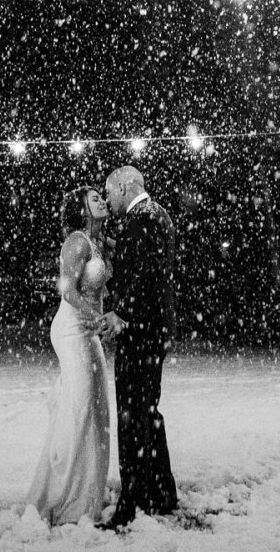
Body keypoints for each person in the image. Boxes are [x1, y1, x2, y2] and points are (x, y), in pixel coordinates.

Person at [26, 186, 114, 525]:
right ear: (82, 209)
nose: (102, 201)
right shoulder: (76, 242)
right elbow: (67, 289)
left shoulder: (101, 242)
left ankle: (89, 492)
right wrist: (94, 316)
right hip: (71, 329)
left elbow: (103, 283)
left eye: (101, 197)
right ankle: (60, 493)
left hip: (90, 332)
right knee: (79, 409)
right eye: (95, 199)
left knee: (99, 408)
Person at [99, 165, 178, 527]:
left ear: (126, 187)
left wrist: (121, 313)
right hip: (156, 330)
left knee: (133, 417)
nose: (109, 199)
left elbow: (141, 274)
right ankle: (161, 491)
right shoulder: (157, 214)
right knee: (148, 412)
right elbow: (146, 264)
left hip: (140, 333)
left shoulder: (139, 220)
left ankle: (132, 503)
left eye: (110, 191)